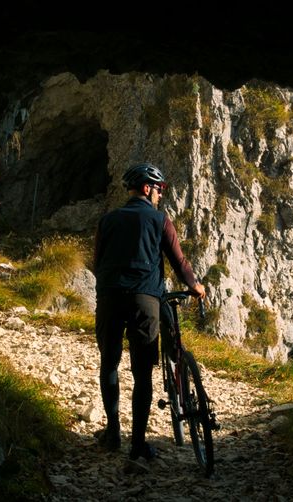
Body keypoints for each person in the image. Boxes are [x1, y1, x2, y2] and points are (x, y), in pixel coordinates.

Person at [93, 162, 206, 461]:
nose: (160, 195)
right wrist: (195, 286)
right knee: (143, 373)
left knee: (110, 364)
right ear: (147, 188)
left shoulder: (107, 220)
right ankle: (138, 445)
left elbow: (97, 262)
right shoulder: (159, 220)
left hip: (109, 298)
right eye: (159, 189)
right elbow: (179, 263)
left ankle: (113, 433)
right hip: (144, 300)